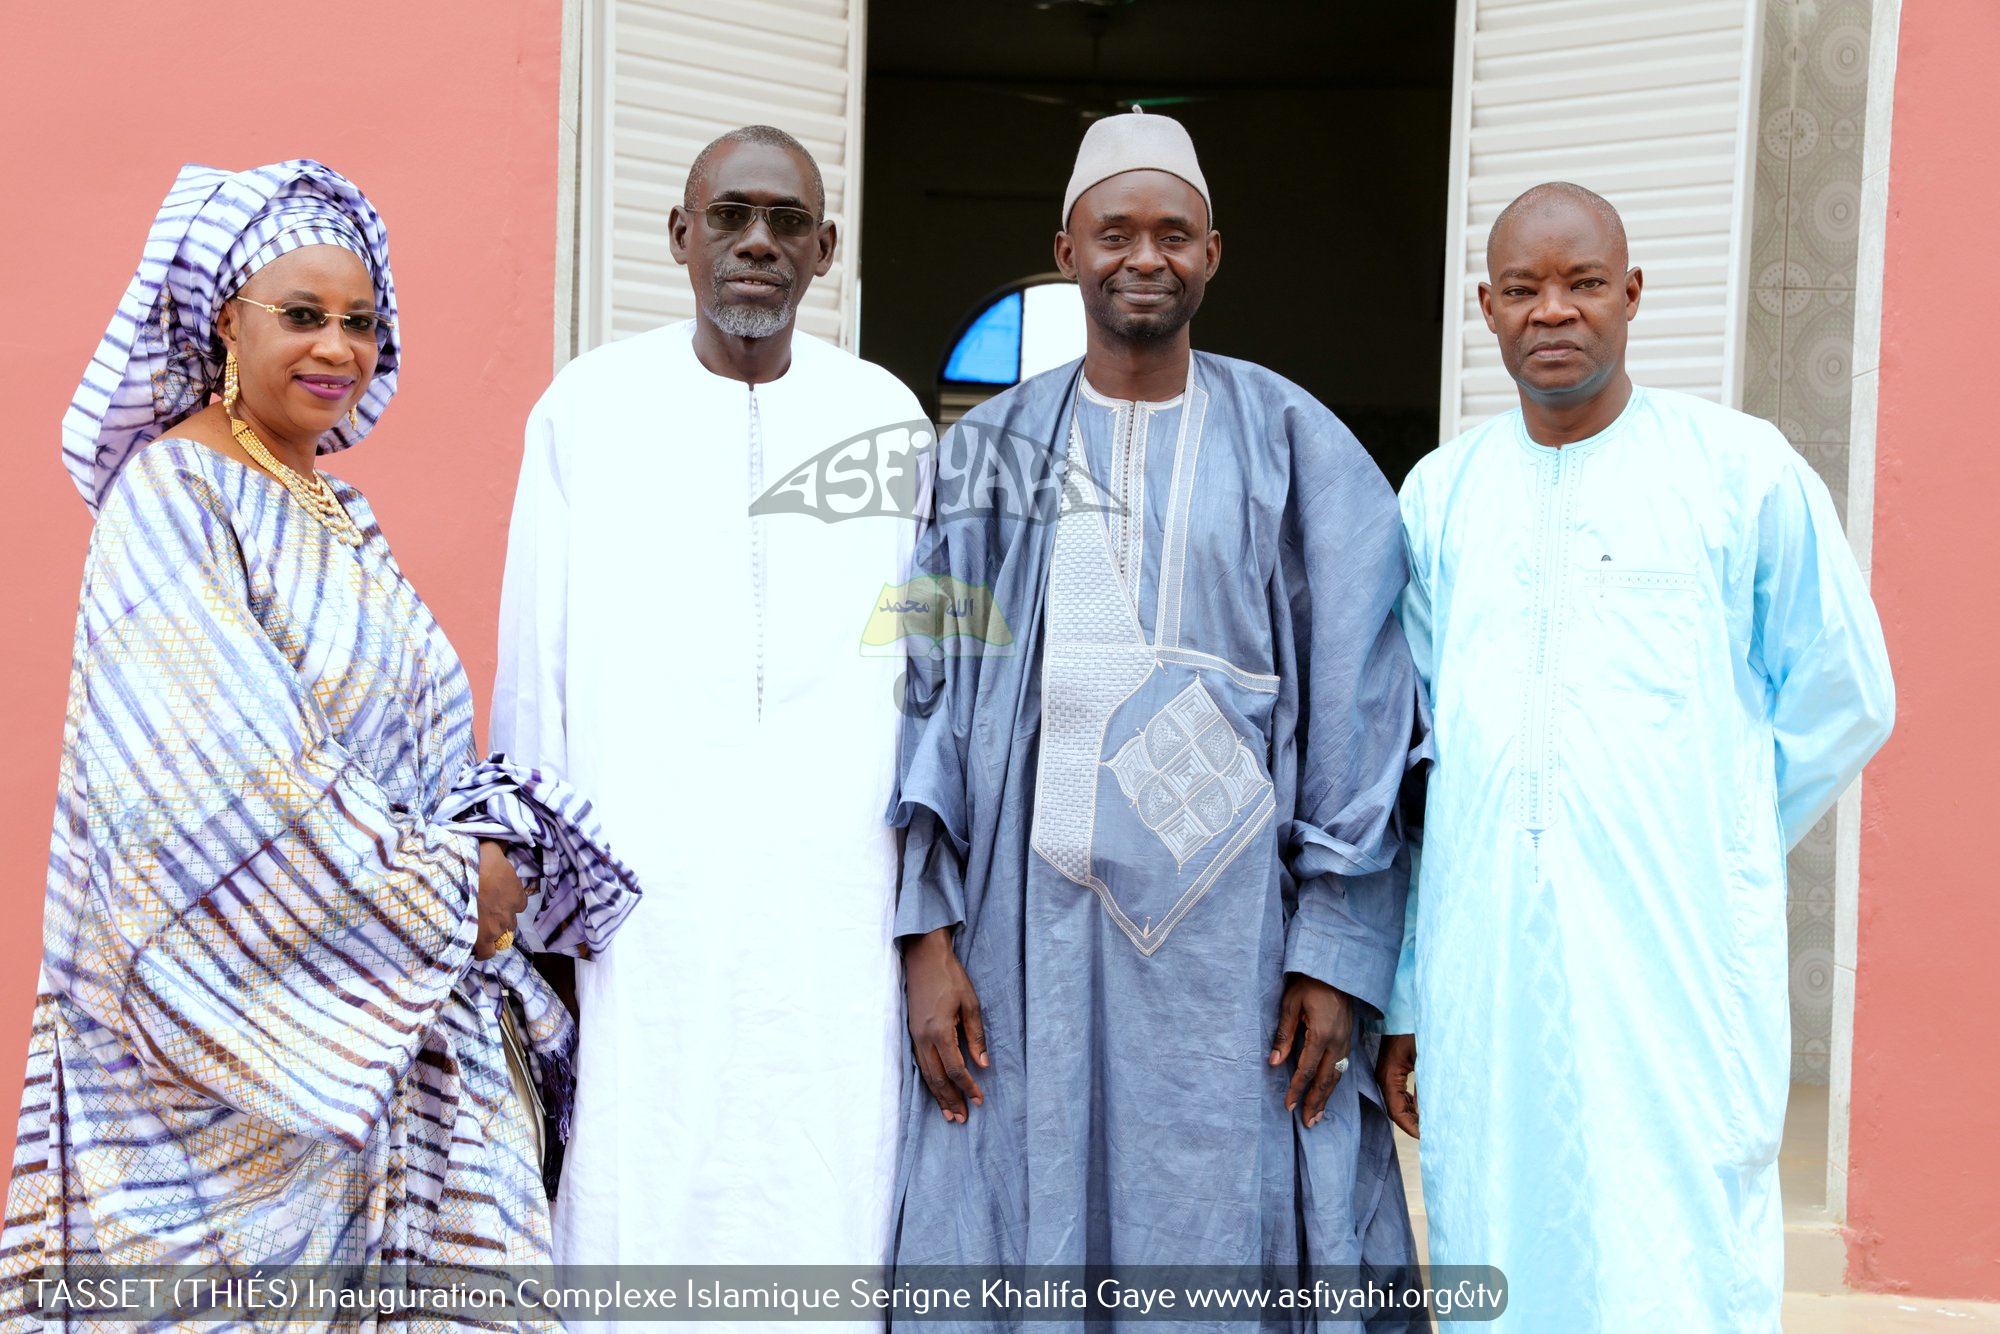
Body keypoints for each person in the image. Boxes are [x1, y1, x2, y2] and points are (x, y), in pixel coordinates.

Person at [0, 160, 640, 1324]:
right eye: (302, 315)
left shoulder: (341, 510)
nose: (336, 346)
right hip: (207, 1078)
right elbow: (212, 791)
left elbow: (422, 741)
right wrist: (455, 883)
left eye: (360, 320)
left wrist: (493, 844)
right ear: (224, 323)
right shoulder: (171, 498)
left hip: (390, 1034)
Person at [889, 111, 1427, 1328]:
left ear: (1213, 254)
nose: (1145, 256)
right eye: (1116, 232)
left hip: (1239, 954)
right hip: (1027, 940)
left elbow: (1361, 697)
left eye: (1172, 234)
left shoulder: (1296, 445)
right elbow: (921, 687)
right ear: (1066, 247)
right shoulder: (981, 453)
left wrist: (1332, 951)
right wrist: (927, 936)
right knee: (1023, 1196)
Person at [1377, 181, 1895, 1331]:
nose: (1551, 311)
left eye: (1582, 284)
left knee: (1677, 1248)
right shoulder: (1439, 497)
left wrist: (1722, 836)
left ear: (1631, 296)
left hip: (1676, 952)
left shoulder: (1737, 472)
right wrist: (1406, 986)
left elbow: (1846, 690)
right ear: (1486, 306)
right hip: (1484, 963)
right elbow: (1414, 755)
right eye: (1522, 289)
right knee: (1494, 1239)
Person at [491, 125, 924, 1277]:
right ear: (679, 236)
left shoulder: (888, 420)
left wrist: (926, 898)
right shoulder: (586, 409)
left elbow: (930, 673)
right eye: (728, 216)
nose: (755, 243)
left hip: (836, 907)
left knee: (828, 1180)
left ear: (824, 249)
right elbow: (533, 671)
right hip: (642, 906)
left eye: (786, 222)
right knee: (642, 1178)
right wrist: (542, 916)